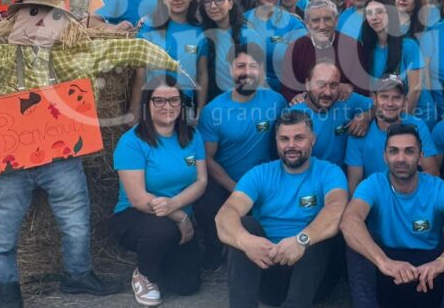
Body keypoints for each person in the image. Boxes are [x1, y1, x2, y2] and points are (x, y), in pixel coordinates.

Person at [0, 0, 183, 307]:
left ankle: (78, 275)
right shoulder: (6, 56)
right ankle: (6, 288)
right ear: (19, 18)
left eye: (52, 15)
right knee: (4, 228)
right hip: (15, 161)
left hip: (61, 159)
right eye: (33, 13)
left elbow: (128, 50)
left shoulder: (74, 59)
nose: (41, 21)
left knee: (75, 222)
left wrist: (172, 64)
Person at [340, 124, 444, 308]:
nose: (401, 159)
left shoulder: (436, 186)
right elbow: (349, 221)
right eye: (394, 151)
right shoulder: (374, 184)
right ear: (385, 157)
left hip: (429, 276)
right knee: (358, 239)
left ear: (420, 157)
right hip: (388, 273)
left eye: (409, 151)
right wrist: (384, 262)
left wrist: (442, 262)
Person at [216, 110, 348, 308]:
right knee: (243, 224)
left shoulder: (330, 172)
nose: (291, 145)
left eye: (299, 138)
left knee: (320, 232)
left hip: (314, 276)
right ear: (276, 141)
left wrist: (301, 240)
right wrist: (246, 241)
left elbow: (337, 208)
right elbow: (225, 215)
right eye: (284, 139)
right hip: (269, 267)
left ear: (312, 139)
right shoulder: (260, 174)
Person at [111, 76, 207, 305]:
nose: (168, 106)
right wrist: (180, 216)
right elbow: (137, 198)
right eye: (159, 100)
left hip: (176, 215)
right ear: (147, 104)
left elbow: (202, 180)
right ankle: (144, 274)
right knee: (163, 230)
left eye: (174, 100)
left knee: (187, 286)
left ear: (181, 103)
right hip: (137, 216)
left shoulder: (192, 136)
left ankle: (159, 259)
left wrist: (175, 206)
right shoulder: (131, 142)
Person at [195, 43, 288, 271]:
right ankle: (213, 248)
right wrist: (236, 188)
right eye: (240, 66)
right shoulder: (213, 111)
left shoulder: (276, 102)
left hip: (263, 181)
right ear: (230, 70)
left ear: (262, 70)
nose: (247, 72)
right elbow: (208, 159)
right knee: (205, 199)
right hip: (226, 180)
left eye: (253, 66)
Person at [132, 0, 208, 121]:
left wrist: (201, 109)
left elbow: (202, 74)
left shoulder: (200, 33)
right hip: (153, 106)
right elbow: (140, 72)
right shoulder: (149, 27)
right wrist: (134, 109)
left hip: (185, 109)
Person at [345, 76, 439, 194]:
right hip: (375, 198)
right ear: (374, 99)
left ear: (405, 101)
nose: (390, 103)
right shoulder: (360, 131)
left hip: (411, 196)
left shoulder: (418, 126)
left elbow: (432, 172)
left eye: (396, 98)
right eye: (384, 97)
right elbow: (354, 183)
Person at [281, 0, 370, 102]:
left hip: (343, 104)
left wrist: (351, 87)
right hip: (308, 106)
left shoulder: (353, 47)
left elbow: (364, 87)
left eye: (327, 19)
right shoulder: (296, 48)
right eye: (316, 20)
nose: (322, 26)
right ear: (307, 23)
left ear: (336, 21)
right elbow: (286, 89)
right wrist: (294, 97)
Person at [292, 62, 374, 166]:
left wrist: (367, 116)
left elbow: (380, 106)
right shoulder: (293, 115)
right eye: (321, 84)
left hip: (343, 174)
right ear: (308, 84)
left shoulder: (344, 99)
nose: (328, 92)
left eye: (333, 85)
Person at [199, 0, 264, 102]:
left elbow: (259, 77)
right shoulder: (206, 36)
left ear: (230, 3)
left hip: (246, 103)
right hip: (218, 102)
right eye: (207, 1)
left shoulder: (247, 35)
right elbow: (203, 75)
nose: (213, 6)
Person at [360, 0, 424, 116]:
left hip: (415, 114)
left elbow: (415, 90)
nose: (374, 17)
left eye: (379, 12)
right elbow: (372, 92)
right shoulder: (368, 48)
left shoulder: (408, 46)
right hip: (386, 115)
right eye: (369, 13)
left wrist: (400, 121)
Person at [245, 0, 307, 92]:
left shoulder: (292, 22)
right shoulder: (243, 19)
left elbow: (303, 51)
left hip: (286, 90)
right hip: (250, 88)